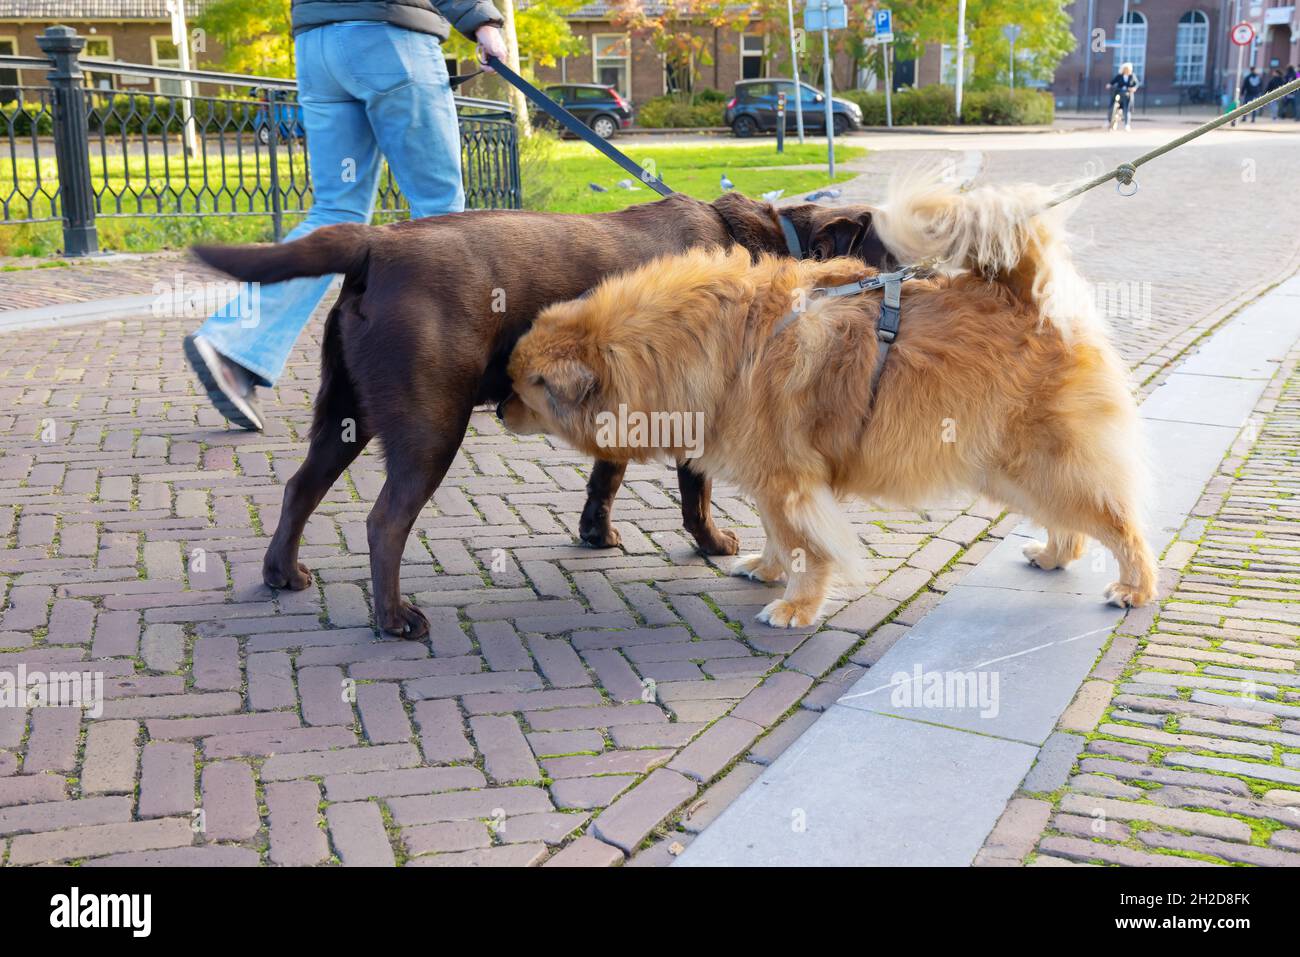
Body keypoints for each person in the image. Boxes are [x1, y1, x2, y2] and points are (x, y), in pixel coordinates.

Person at [185, 0, 509, 431]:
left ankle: (231, 343)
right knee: (441, 213)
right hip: (391, 38)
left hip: (318, 46)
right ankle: (437, 376)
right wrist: (482, 22)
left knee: (336, 211)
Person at [1108, 62, 1138, 130]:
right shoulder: (1119, 76)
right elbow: (1113, 81)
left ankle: (1127, 125)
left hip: (1127, 95)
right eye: (1125, 69)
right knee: (1112, 106)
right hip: (1119, 93)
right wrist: (1109, 85)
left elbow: (1136, 84)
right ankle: (1109, 121)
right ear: (1123, 69)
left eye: (1128, 69)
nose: (1127, 70)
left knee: (1126, 109)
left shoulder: (1132, 76)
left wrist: (1133, 88)